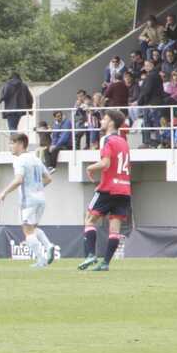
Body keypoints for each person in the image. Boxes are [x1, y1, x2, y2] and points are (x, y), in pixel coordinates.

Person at [78, 111, 132, 271]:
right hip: (124, 188)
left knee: (89, 219)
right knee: (114, 229)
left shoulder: (107, 139)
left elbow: (106, 163)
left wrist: (89, 167)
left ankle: (90, 255)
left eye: (104, 119)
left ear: (111, 123)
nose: (101, 121)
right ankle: (105, 263)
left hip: (109, 187)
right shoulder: (123, 141)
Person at [0, 132, 56, 267]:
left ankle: (41, 259)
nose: (10, 146)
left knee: (27, 231)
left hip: (28, 200)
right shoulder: (35, 158)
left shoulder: (19, 160)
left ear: (21, 144)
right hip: (40, 199)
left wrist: (4, 193)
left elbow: (18, 180)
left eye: (12, 143)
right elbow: (48, 178)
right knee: (33, 228)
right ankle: (48, 246)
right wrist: (37, 188)